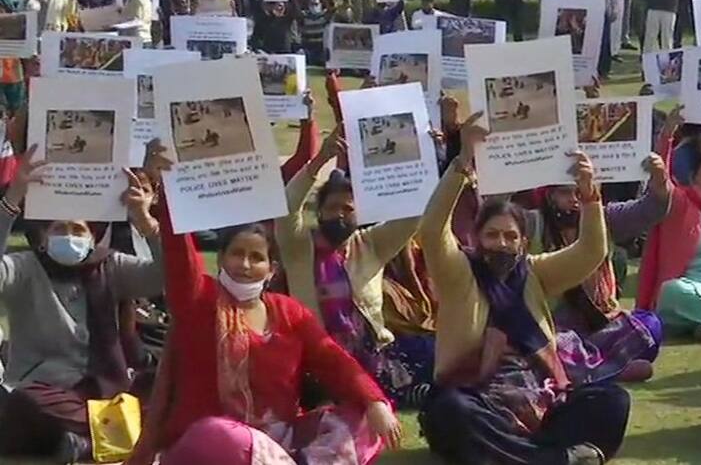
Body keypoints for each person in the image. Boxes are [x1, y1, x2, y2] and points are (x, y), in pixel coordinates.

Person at [124, 140, 402, 465]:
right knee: (221, 435)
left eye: (255, 257)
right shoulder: (200, 300)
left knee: (367, 419)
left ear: (271, 269)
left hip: (278, 443)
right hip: (213, 443)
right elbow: (179, 255)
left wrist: (373, 402)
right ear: (221, 259)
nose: (244, 264)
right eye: (236, 254)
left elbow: (333, 360)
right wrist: (170, 194)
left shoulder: (289, 312)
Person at [417, 114, 630, 465]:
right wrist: (463, 161)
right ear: (476, 238)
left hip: (539, 402)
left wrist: (590, 198)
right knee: (450, 411)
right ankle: (555, 460)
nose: (501, 244)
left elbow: (590, 252)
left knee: (613, 401)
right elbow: (432, 229)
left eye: (510, 236)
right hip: (478, 401)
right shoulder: (459, 271)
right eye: (492, 235)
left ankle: (528, 456)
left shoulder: (533, 272)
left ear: (523, 242)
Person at [0, 148, 164, 463]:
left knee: (161, 388)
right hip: (43, 393)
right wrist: (12, 200)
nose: (69, 236)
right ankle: (110, 436)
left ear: (93, 238)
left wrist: (145, 221)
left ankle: (81, 442)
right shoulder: (24, 268)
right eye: (59, 229)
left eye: (78, 230)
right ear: (43, 238)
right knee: (23, 404)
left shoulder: (111, 266)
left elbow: (167, 276)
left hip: (106, 391)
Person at [276, 129, 425, 401]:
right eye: (333, 208)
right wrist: (320, 160)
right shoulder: (299, 246)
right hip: (316, 356)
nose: (340, 215)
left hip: (369, 355)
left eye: (348, 209)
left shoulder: (371, 244)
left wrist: (417, 156)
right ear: (319, 212)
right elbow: (287, 207)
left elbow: (414, 216)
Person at [533, 154, 670, 382]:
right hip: (555, 327)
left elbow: (650, 210)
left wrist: (658, 181)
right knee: (544, 344)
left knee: (650, 326)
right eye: (566, 192)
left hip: (602, 324)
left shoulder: (602, 216)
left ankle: (592, 367)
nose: (574, 200)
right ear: (549, 195)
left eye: (579, 192)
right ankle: (607, 369)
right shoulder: (531, 223)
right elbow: (493, 218)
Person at [638, 107, 701, 341]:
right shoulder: (679, 202)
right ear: (693, 178)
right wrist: (667, 135)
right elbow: (659, 176)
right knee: (671, 292)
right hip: (689, 285)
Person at [0, 0, 25, 115]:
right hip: (8, 56)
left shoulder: (6, 0)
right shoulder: (4, 1)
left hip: (9, 54)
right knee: (13, 96)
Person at [299, 0, 334, 66]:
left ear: (320, 4)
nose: (314, 6)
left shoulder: (324, 17)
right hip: (308, 49)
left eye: (316, 4)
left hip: (321, 49)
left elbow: (332, 9)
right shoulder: (304, 16)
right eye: (311, 4)